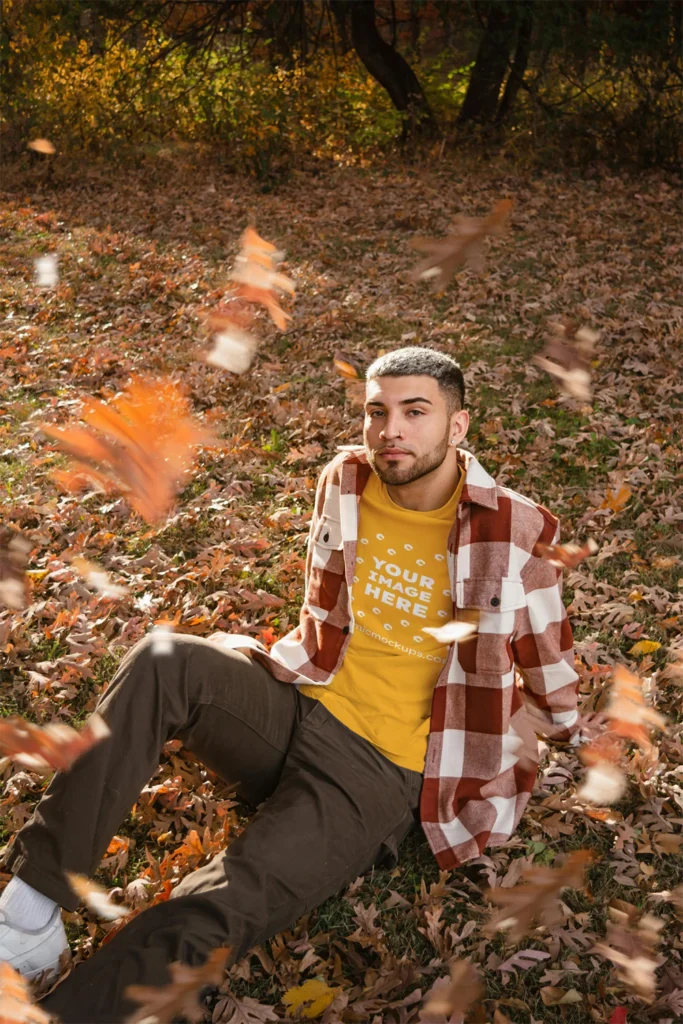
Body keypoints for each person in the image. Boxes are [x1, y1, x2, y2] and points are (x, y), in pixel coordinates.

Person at [0, 347, 579, 1022]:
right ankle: (29, 914)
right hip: (299, 702)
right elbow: (323, 614)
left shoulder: (513, 531)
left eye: (414, 412)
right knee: (164, 658)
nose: (390, 429)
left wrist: (491, 762)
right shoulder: (346, 479)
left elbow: (554, 689)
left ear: (456, 427)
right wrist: (252, 664)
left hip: (377, 772)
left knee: (219, 901)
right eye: (376, 411)